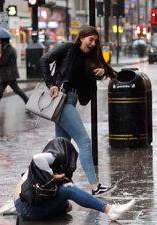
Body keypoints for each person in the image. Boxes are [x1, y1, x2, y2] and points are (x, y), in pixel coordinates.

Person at [38, 26, 116, 196]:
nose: (93, 43)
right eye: (90, 39)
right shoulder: (67, 48)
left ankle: (50, 183)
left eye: (95, 41)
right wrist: (51, 84)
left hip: (71, 101)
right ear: (81, 37)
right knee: (84, 141)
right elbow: (44, 60)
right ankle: (95, 186)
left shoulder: (90, 56)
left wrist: (102, 72)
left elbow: (107, 70)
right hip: (61, 99)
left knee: (61, 147)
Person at [11, 137, 136, 221]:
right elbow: (36, 157)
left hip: (25, 207)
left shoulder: (36, 170)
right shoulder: (51, 157)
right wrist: (51, 174)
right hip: (27, 209)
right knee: (68, 190)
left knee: (68, 206)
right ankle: (110, 210)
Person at [0, 38, 29, 114]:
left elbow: (4, 62)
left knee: (16, 90)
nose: (0, 43)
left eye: (1, 42)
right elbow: (4, 60)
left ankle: (29, 104)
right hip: (7, 75)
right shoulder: (9, 49)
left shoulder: (9, 50)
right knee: (0, 92)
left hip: (9, 75)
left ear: (4, 42)